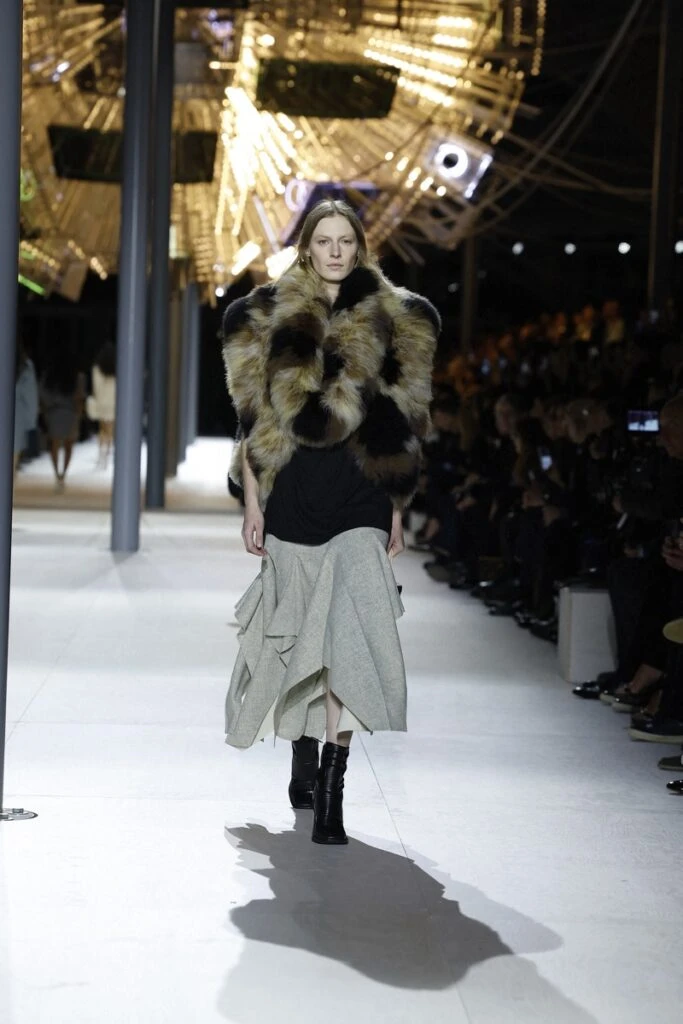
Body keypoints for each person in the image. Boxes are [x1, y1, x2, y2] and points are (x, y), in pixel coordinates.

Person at [221, 199, 439, 845]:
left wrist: (395, 508)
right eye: (325, 240)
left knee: (347, 634)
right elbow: (253, 421)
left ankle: (333, 791)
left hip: (360, 492)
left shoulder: (398, 317)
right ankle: (303, 750)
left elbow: (405, 423)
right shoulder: (263, 315)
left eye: (346, 240)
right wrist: (253, 503)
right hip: (294, 492)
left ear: (360, 247)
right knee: (301, 633)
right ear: (307, 247)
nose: (336, 251)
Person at [40, 348, 85, 491]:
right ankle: (63, 474)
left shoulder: (49, 376)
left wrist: (46, 411)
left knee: (54, 443)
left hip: (54, 412)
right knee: (68, 445)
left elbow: (43, 394)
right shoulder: (77, 377)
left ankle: (57, 473)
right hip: (70, 413)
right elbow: (79, 398)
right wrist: (78, 416)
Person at [88, 342, 117, 468]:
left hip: (101, 403)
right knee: (111, 430)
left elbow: (95, 388)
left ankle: (102, 454)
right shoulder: (117, 369)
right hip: (113, 403)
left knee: (102, 430)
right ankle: (108, 452)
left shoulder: (96, 369)